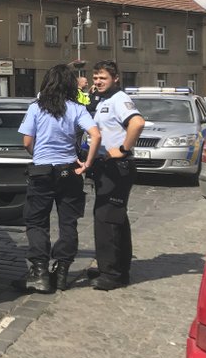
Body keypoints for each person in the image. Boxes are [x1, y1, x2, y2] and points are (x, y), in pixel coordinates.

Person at [13, 65, 101, 293]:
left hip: (42, 170)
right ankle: (61, 273)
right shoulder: (77, 108)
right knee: (68, 223)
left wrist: (39, 156)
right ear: (71, 85)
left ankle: (40, 273)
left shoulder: (36, 108)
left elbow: (26, 142)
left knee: (36, 221)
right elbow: (95, 134)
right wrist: (87, 163)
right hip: (69, 169)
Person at [88, 60, 145, 291]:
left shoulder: (119, 99)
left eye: (103, 78)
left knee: (107, 219)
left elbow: (137, 123)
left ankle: (111, 275)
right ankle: (115, 268)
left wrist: (123, 149)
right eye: (96, 77)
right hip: (106, 166)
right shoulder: (105, 99)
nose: (98, 81)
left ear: (115, 78)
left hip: (117, 166)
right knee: (116, 218)